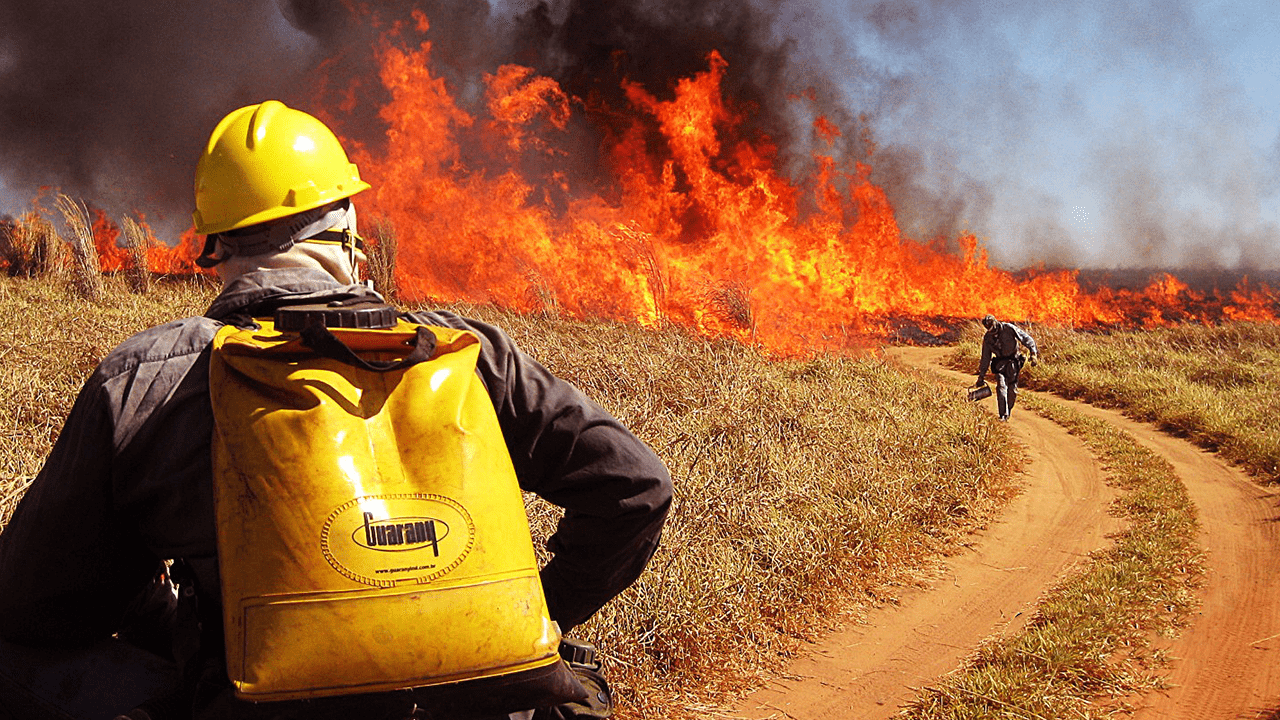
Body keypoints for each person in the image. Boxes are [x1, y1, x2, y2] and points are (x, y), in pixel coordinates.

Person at [0, 100, 672, 719]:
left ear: (213, 246)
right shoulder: (466, 353)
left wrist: (169, 616)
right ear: (348, 224)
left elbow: (33, 601)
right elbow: (637, 488)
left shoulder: (153, 377)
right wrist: (531, 622)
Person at [974, 314, 1039, 421]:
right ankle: (1003, 414)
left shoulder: (1009, 328)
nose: (992, 330)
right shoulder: (988, 338)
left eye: (992, 327)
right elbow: (985, 357)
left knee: (1012, 390)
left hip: (1013, 362)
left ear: (996, 322)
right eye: (989, 328)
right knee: (1001, 387)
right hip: (999, 364)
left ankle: (1008, 410)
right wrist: (981, 376)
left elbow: (1026, 339)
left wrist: (1033, 353)